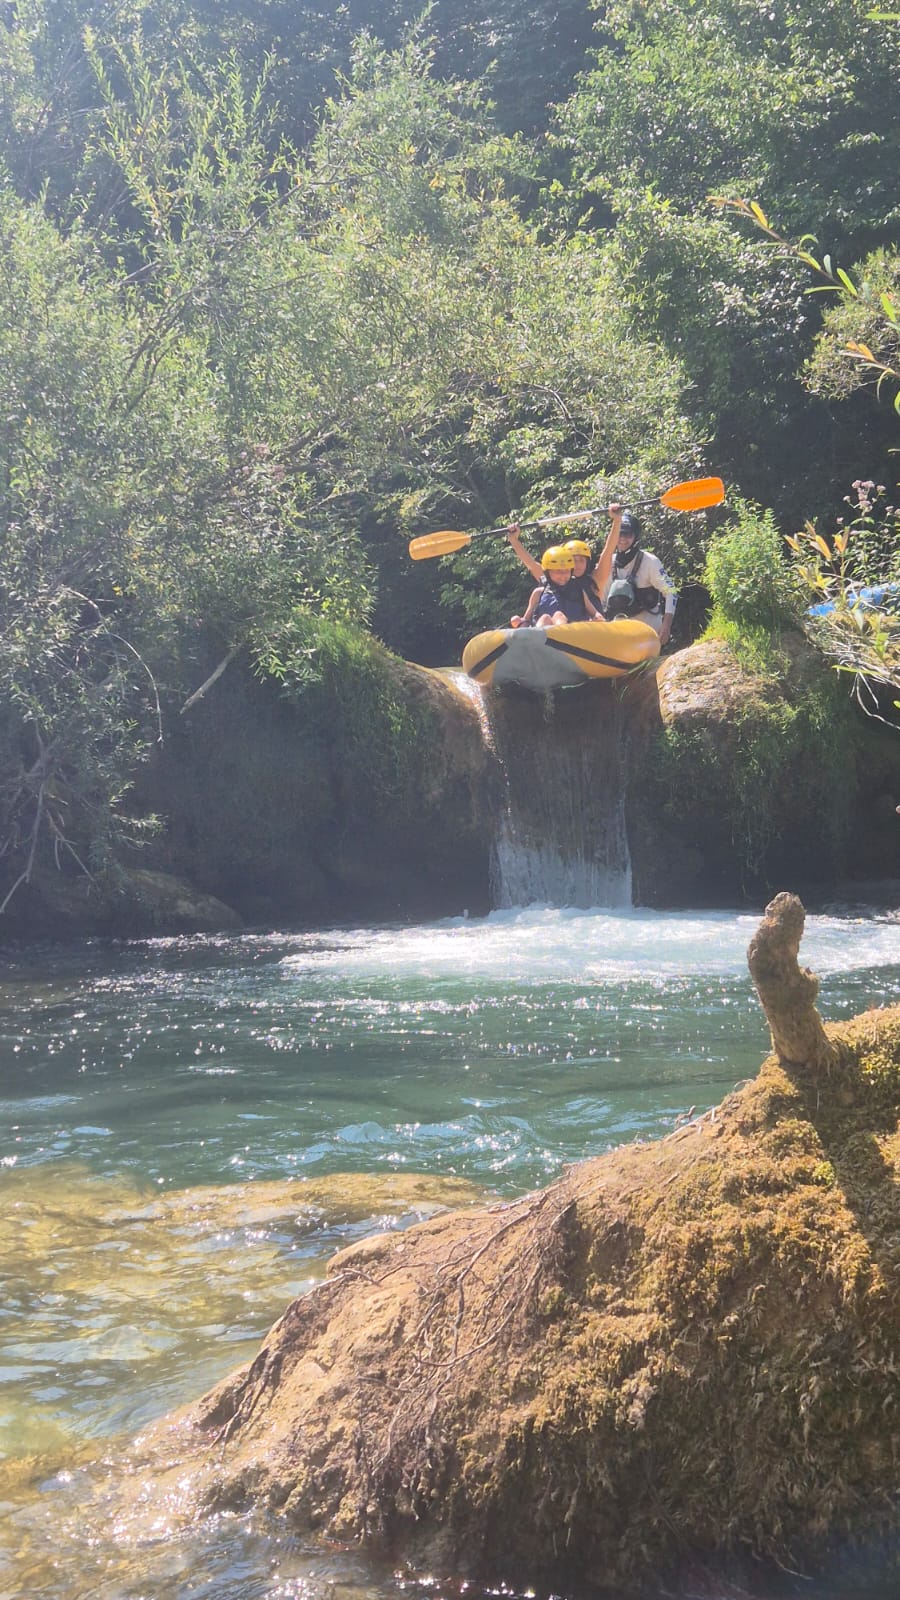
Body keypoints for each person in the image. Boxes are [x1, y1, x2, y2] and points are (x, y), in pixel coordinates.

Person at [507, 516, 618, 615]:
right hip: (561, 631)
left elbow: (608, 550)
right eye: (573, 560)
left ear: (587, 563)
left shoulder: (595, 581)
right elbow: (530, 563)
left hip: (592, 633)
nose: (577, 564)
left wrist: (617, 521)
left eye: (581, 560)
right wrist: (513, 540)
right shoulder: (552, 578)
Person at [602, 506, 677, 645]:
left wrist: (666, 627)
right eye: (619, 534)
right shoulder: (608, 563)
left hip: (648, 634)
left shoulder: (650, 561)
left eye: (628, 535)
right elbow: (601, 601)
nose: (622, 539)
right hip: (619, 635)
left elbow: (671, 592)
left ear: (636, 537)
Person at [511, 546, 602, 628]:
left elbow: (594, 613)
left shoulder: (579, 591)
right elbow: (526, 620)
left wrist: (598, 618)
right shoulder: (538, 593)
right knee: (545, 618)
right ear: (548, 572)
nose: (563, 575)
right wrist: (520, 622)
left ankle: (560, 638)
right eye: (558, 571)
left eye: (566, 570)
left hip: (574, 637)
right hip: (543, 636)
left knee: (559, 615)